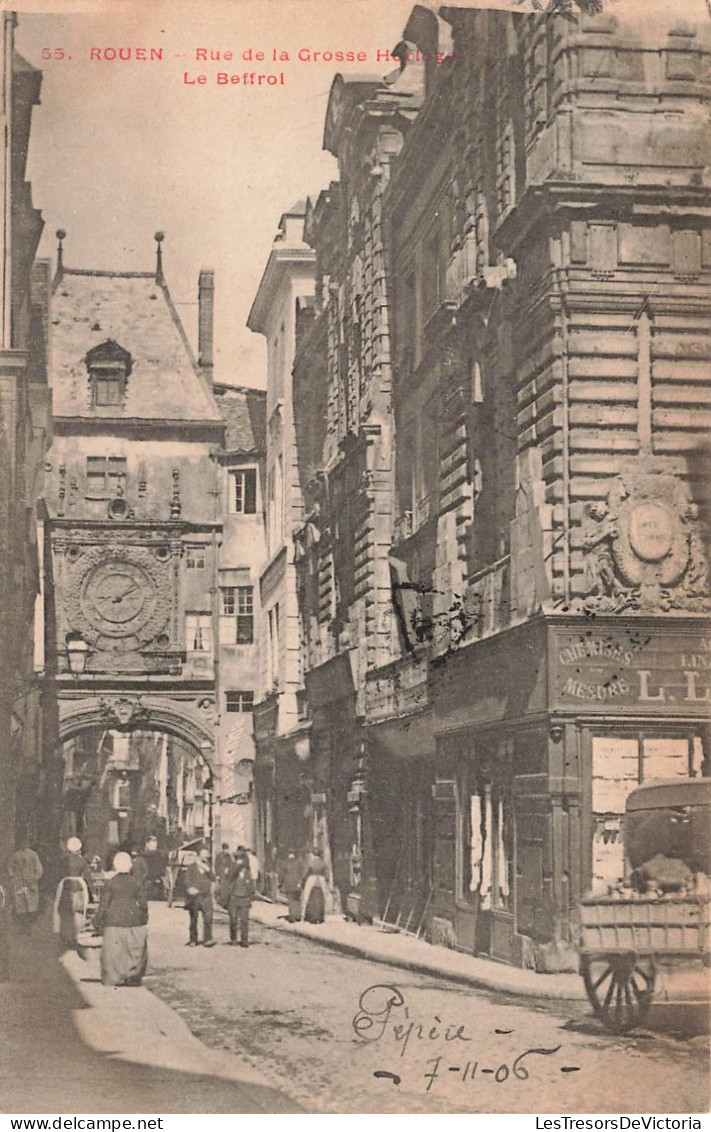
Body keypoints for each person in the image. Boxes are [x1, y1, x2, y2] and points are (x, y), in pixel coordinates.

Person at [94, 851, 148, 986]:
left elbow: (104, 904)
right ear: (130, 866)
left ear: (115, 866)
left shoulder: (111, 883)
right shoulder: (136, 883)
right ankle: (132, 976)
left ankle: (114, 978)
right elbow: (143, 904)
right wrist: (143, 919)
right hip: (133, 919)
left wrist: (97, 920)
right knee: (134, 950)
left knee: (113, 952)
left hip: (113, 920)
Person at [53, 837, 94, 947]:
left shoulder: (63, 860)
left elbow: (57, 875)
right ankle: (76, 936)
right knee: (79, 913)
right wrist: (92, 892)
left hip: (65, 889)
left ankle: (65, 937)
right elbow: (88, 877)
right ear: (79, 848)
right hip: (79, 889)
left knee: (66, 914)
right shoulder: (82, 861)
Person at [184, 846, 216, 947]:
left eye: (207, 853)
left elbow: (213, 878)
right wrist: (190, 888)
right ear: (198, 855)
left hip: (206, 895)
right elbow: (187, 880)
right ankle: (193, 939)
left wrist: (207, 869)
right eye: (204, 853)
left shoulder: (208, 866)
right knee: (193, 919)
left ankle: (207, 939)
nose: (206, 855)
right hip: (195, 896)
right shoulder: (191, 867)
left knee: (208, 918)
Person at [10, 841, 43, 934]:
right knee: (20, 905)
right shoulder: (15, 855)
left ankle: (29, 927)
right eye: (21, 843)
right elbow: (11, 867)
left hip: (30, 883)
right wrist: (13, 876)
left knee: (31, 905)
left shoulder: (33, 854)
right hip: (19, 883)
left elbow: (39, 869)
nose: (23, 845)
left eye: (24, 843)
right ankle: (23, 927)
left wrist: (34, 878)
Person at [225, 860, 254, 947]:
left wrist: (250, 897)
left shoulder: (248, 874)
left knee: (244, 921)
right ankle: (233, 939)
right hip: (234, 899)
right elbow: (228, 879)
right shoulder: (233, 874)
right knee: (233, 920)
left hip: (244, 899)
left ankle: (244, 940)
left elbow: (251, 888)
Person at [301, 848, 329, 924]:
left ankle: (310, 916)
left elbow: (306, 873)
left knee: (308, 898)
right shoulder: (323, 863)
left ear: (313, 855)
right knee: (321, 899)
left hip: (311, 879)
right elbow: (327, 875)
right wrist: (325, 880)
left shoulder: (311, 863)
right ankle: (320, 917)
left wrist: (303, 880)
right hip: (321, 881)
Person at [280, 851, 302, 923]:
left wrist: (280, 882)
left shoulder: (285, 863)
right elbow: (302, 872)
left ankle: (292, 915)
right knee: (297, 900)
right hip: (297, 884)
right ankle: (298, 915)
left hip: (289, 884)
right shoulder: (299, 862)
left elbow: (282, 874)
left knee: (290, 900)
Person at [215, 842, 235, 907]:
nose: (226, 850)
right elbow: (216, 865)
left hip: (227, 875)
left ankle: (226, 902)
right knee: (222, 889)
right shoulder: (219, 856)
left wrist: (229, 870)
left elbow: (231, 864)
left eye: (227, 849)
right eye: (225, 849)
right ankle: (222, 902)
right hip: (221, 874)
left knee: (227, 889)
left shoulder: (229, 856)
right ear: (223, 849)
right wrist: (217, 875)